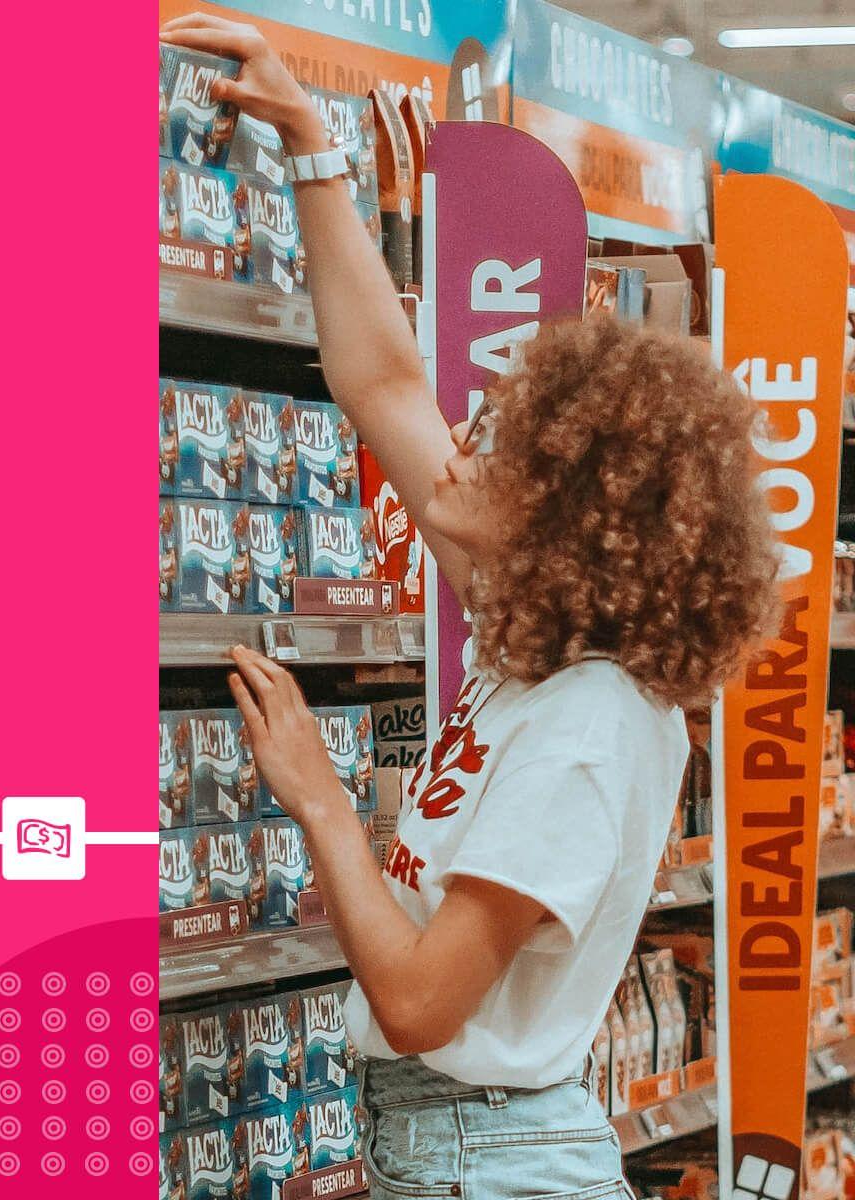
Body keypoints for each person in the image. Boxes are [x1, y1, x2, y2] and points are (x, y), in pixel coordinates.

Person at [159, 13, 781, 1198]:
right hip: (458, 1148)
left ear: (568, 517)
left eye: (495, 451)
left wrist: (318, 800)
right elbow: (381, 379)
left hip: (487, 1163)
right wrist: (313, 147)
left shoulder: (587, 730)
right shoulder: (549, 658)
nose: (455, 455)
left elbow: (420, 1000)